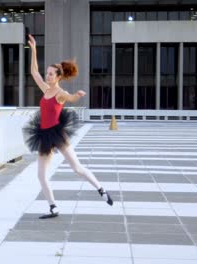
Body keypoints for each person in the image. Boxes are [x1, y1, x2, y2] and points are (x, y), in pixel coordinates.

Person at [23, 34, 113, 219]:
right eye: (46, 73)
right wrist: (33, 50)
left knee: (77, 168)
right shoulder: (45, 89)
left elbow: (70, 98)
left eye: (50, 74)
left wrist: (77, 95)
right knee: (41, 175)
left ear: (58, 77)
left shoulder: (60, 93)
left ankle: (101, 190)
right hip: (44, 135)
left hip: (57, 134)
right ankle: (53, 207)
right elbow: (33, 72)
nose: (46, 76)